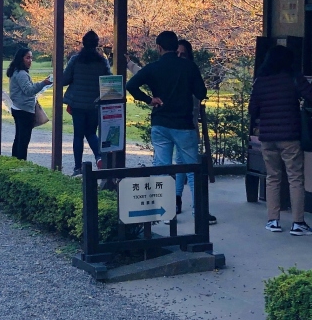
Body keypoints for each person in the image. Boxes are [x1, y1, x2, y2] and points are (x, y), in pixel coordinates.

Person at [127, 30, 208, 217]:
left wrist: (149, 99)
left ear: (159, 47)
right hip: (183, 124)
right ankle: (199, 212)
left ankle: (164, 212)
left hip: (160, 122)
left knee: (162, 167)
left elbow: (130, 86)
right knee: (192, 168)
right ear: (175, 46)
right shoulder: (189, 67)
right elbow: (201, 93)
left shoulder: (153, 68)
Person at [249, 44, 312, 235]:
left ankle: (273, 220)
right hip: (290, 136)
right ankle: (298, 223)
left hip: (267, 137)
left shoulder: (260, 80)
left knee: (273, 177)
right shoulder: (293, 77)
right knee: (295, 178)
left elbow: (252, 109)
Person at [176, 38, 217, 222]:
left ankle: (181, 203)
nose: (179, 57)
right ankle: (196, 208)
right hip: (182, 128)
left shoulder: (188, 74)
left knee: (185, 166)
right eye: (177, 53)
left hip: (187, 126)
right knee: (188, 167)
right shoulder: (183, 73)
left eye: (183, 54)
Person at [63, 30, 111, 175]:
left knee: (78, 135)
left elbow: (64, 79)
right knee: (91, 132)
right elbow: (108, 81)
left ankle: (78, 167)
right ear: (97, 44)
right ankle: (99, 157)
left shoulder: (75, 60)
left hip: (77, 103)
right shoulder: (102, 61)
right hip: (94, 104)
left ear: (83, 43)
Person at [7, 45, 51, 160]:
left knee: (19, 138)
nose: (30, 60)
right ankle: (21, 162)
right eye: (27, 58)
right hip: (24, 110)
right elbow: (29, 90)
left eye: (31, 58)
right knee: (23, 140)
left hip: (18, 108)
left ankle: (15, 160)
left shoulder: (16, 72)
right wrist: (43, 83)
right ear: (21, 58)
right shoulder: (21, 74)